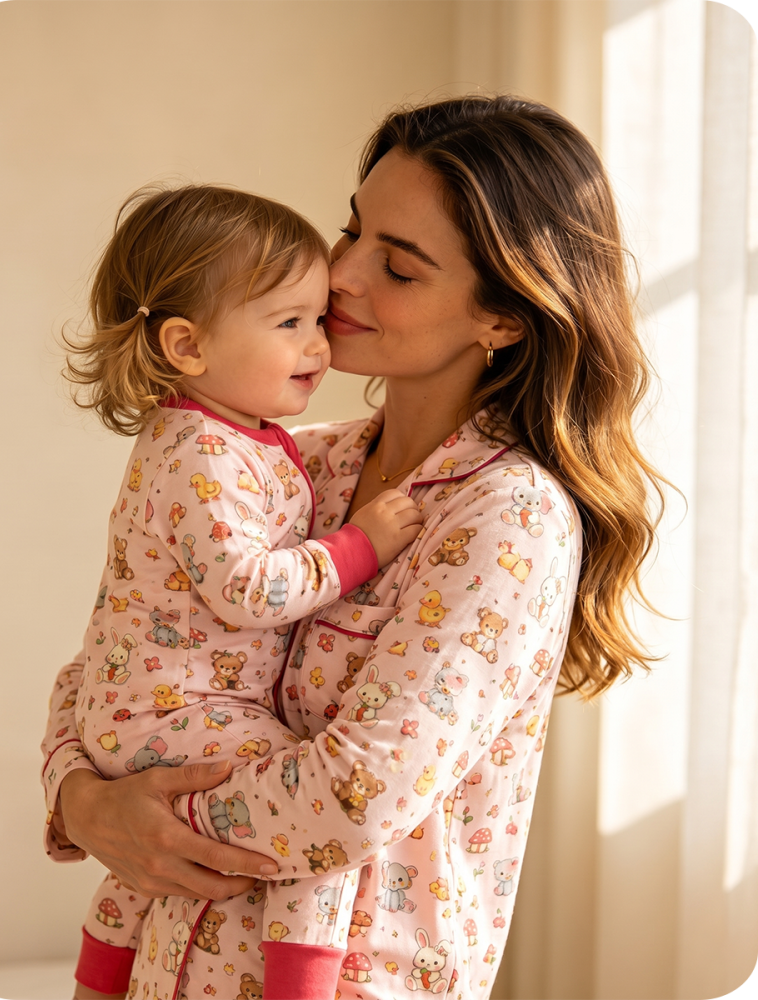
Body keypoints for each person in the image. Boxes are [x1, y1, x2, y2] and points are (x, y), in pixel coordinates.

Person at [42, 95, 667, 1000]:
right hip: (166, 965)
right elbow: (122, 659)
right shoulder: (296, 463)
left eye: (399, 268)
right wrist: (84, 803)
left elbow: (356, 794)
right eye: (352, 230)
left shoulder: (508, 517)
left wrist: (150, 816)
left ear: (503, 318)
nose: (339, 276)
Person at [57, 185, 423, 999]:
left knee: (149, 871)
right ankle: (301, 985)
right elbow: (251, 590)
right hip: (174, 711)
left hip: (144, 707)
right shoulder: (202, 454)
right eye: (289, 323)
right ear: (186, 345)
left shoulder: (234, 438)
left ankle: (98, 979)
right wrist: (357, 546)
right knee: (315, 833)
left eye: (316, 318)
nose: (319, 345)